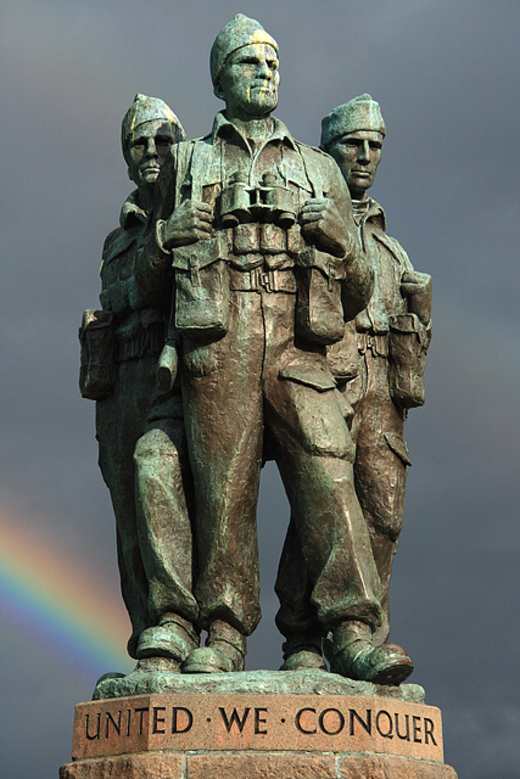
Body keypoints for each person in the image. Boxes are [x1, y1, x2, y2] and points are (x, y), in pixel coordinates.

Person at [150, 16, 412, 684]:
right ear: (220, 77)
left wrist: (343, 241)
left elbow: (357, 290)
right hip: (222, 331)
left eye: (271, 63)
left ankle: (351, 627)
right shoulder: (186, 161)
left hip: (300, 341)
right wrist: (167, 238)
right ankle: (223, 630)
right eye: (247, 63)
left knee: (329, 470)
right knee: (223, 488)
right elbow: (142, 286)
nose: (264, 73)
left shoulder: (317, 165)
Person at [276, 94, 431, 671]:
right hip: (327, 375)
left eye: (375, 146)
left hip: (382, 388)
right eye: (352, 144)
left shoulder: (392, 249)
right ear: (328, 149)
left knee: (383, 515)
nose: (365, 156)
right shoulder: (308, 220)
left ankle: (366, 635)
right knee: (322, 504)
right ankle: (306, 636)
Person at [80, 94, 198, 671]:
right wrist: (155, 249)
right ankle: (151, 637)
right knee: (130, 518)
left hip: (178, 376)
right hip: (121, 379)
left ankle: (187, 623)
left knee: (173, 492)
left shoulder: (199, 213)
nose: (151, 152)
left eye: (162, 140)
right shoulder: (119, 236)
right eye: (138, 144)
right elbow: (120, 294)